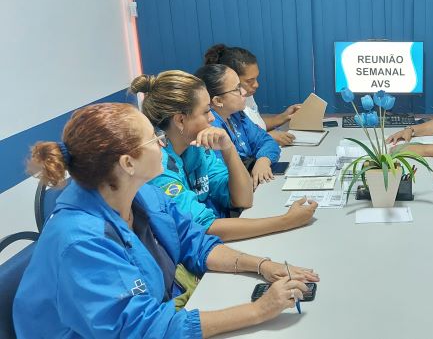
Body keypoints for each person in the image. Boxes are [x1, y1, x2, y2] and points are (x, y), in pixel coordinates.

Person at [14, 103, 319, 338]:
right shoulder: (81, 241)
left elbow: (195, 243)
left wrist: (263, 265)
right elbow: (143, 330)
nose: (163, 144)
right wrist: (258, 311)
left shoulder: (142, 193)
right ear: (127, 163)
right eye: (153, 140)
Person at [133, 70, 316, 241]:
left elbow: (243, 199)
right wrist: (286, 221)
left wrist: (228, 149)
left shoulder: (196, 146)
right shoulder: (157, 165)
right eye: (206, 111)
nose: (212, 118)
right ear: (180, 120)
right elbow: (207, 228)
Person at [195, 63, 281, 189]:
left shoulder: (236, 114)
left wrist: (264, 159)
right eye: (237, 89)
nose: (244, 92)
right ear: (218, 101)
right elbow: (224, 178)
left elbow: (266, 141)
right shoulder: (210, 130)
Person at [204, 44, 301, 146]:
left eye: (256, 78)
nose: (256, 85)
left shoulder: (246, 95)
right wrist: (267, 138)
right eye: (249, 81)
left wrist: (284, 116)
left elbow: (256, 124)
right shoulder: (229, 106)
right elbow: (238, 144)